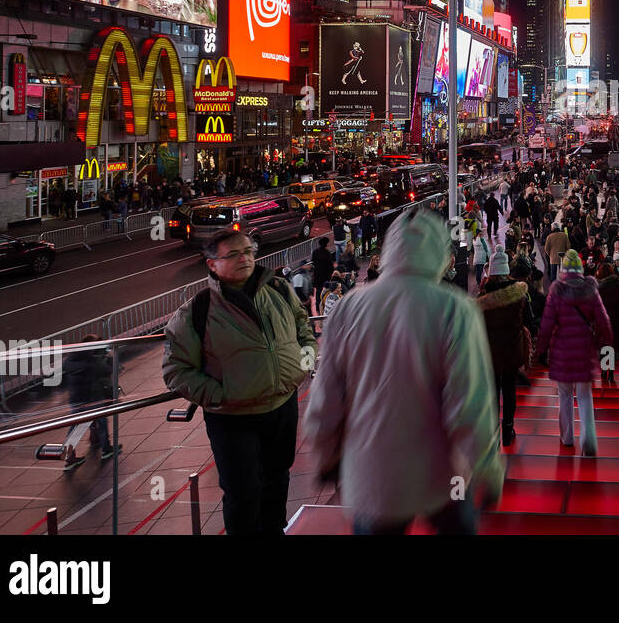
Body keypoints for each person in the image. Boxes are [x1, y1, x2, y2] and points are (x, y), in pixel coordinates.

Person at [304, 210, 504, 534]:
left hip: (371, 477)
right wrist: (487, 469)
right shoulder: (455, 308)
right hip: (442, 479)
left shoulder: (348, 308)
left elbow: (326, 397)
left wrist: (325, 455)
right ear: (439, 253)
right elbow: (470, 405)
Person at [162, 228, 316, 535]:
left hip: (282, 406)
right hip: (233, 418)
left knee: (277, 480)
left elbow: (303, 327)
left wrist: (304, 362)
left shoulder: (278, 290)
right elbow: (176, 370)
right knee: (243, 493)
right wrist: (221, 395)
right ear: (212, 265)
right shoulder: (197, 311)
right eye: (233, 254)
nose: (244, 258)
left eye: (248, 250)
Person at [535, 251, 613, 457]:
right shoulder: (591, 290)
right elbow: (603, 319)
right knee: (585, 396)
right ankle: (588, 439)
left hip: (562, 351)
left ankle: (567, 437)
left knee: (565, 395)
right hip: (585, 350)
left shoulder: (556, 290)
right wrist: (607, 340)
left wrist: (541, 349)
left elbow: (547, 322)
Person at [476, 251, 529, 448]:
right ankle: (508, 430)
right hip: (511, 351)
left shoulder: (483, 296)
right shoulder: (519, 295)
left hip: (489, 352)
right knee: (509, 390)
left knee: (492, 391)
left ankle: (491, 431)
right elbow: (529, 321)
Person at [62, 333, 115, 471]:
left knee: (76, 428)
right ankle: (106, 448)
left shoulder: (73, 359)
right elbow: (107, 370)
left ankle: (70, 458)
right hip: (90, 398)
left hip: (76, 398)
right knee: (101, 421)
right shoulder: (91, 361)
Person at [596, 262, 619, 385]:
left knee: (604, 345)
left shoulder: (598, 288)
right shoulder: (617, 285)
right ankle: (611, 373)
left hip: (601, 320)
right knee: (611, 346)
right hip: (614, 319)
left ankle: (604, 370)